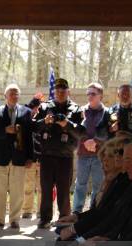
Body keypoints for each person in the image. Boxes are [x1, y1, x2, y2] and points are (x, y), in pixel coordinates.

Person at [33, 78, 84, 229]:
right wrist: (44, 122)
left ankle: (63, 218)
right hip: (47, 155)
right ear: (54, 91)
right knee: (46, 188)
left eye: (64, 90)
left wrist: (67, 124)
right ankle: (45, 218)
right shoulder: (44, 107)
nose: (61, 93)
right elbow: (34, 127)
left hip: (65, 156)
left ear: (68, 91)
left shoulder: (76, 109)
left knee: (63, 190)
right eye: (58, 90)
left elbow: (81, 132)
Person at [0, 84, 34, 229]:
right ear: (5, 96)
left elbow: (29, 136)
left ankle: (14, 220)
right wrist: (4, 131)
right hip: (0, 158)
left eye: (16, 93)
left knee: (17, 191)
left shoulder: (26, 112)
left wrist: (30, 157)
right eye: (11, 93)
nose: (14, 96)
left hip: (19, 157)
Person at [72, 83, 110, 214]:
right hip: (83, 154)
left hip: (99, 155)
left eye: (93, 94)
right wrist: (85, 141)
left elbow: (108, 132)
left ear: (101, 96)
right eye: (88, 93)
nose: (89, 96)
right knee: (80, 185)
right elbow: (75, 130)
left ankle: (94, 211)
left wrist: (95, 141)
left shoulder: (107, 113)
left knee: (98, 186)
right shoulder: (81, 111)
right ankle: (77, 211)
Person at [21, 93, 44, 219]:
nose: (35, 110)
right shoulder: (25, 119)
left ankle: (41, 211)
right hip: (29, 158)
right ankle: (27, 210)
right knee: (28, 186)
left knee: (42, 187)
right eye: (34, 107)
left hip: (41, 158)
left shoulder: (43, 120)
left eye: (37, 107)